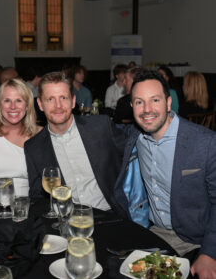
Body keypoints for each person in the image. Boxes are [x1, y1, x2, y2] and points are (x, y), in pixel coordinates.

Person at [114, 70, 216, 279]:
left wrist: (209, 253)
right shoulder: (134, 136)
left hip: (199, 239)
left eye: (155, 100)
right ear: (132, 106)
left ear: (168, 103)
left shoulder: (205, 143)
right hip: (158, 233)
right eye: (139, 102)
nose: (147, 109)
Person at [24, 72, 126, 216]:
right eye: (50, 99)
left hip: (111, 214)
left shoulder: (101, 127)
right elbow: (37, 195)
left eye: (63, 98)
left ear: (73, 101)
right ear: (40, 104)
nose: (58, 106)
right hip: (66, 218)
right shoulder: (33, 147)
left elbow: (132, 154)